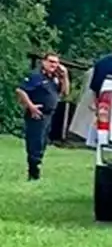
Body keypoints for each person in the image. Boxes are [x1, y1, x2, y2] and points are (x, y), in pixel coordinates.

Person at [15, 52, 69, 180]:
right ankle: (33, 172)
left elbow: (65, 92)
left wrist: (65, 76)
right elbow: (20, 90)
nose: (53, 65)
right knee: (35, 142)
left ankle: (37, 167)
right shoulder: (36, 76)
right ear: (44, 62)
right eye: (50, 61)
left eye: (56, 62)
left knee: (43, 142)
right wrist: (30, 106)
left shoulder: (55, 78)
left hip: (49, 114)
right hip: (37, 114)